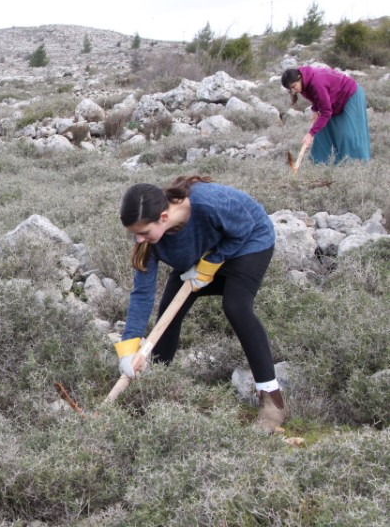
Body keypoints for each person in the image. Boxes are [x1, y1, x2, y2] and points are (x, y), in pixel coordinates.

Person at [115, 175, 286, 431]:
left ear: (163, 217)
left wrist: (210, 264)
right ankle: (157, 386)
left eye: (143, 233)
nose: (138, 239)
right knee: (168, 315)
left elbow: (245, 227)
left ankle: (273, 401)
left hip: (248, 244)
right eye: (135, 234)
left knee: (236, 306)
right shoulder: (146, 241)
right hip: (201, 256)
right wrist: (128, 347)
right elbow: (142, 293)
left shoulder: (208, 203)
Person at [281, 66, 371, 164]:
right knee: (322, 131)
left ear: (299, 77)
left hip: (351, 95)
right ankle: (322, 164)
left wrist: (310, 134)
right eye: (291, 89)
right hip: (335, 99)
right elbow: (316, 96)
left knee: (349, 134)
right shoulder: (304, 81)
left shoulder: (316, 82)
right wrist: (315, 110)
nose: (294, 91)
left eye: (294, 87)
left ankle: (357, 164)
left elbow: (326, 111)